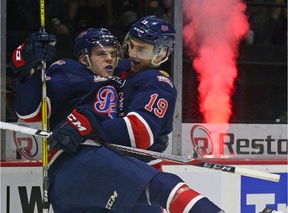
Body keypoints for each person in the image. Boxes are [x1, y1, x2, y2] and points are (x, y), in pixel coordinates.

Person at [11, 17, 224, 212]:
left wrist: (90, 124)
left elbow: (139, 131)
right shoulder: (71, 72)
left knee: (155, 190)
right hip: (82, 160)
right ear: (84, 58)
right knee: (162, 186)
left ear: (161, 53)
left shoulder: (151, 80)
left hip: (121, 168)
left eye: (113, 52)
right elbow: (29, 113)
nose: (125, 56)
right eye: (131, 46)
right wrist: (27, 65)